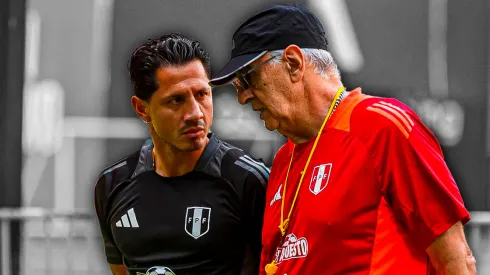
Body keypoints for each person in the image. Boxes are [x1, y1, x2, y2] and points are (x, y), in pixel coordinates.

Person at [209, 4, 476, 275]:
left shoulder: (382, 126)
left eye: (248, 78)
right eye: (238, 87)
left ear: (293, 63)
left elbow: (455, 260)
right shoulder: (283, 160)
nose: (243, 97)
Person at [94, 33, 268, 275]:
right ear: (142, 109)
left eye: (202, 94)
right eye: (176, 100)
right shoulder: (112, 184)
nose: (195, 113)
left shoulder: (249, 180)